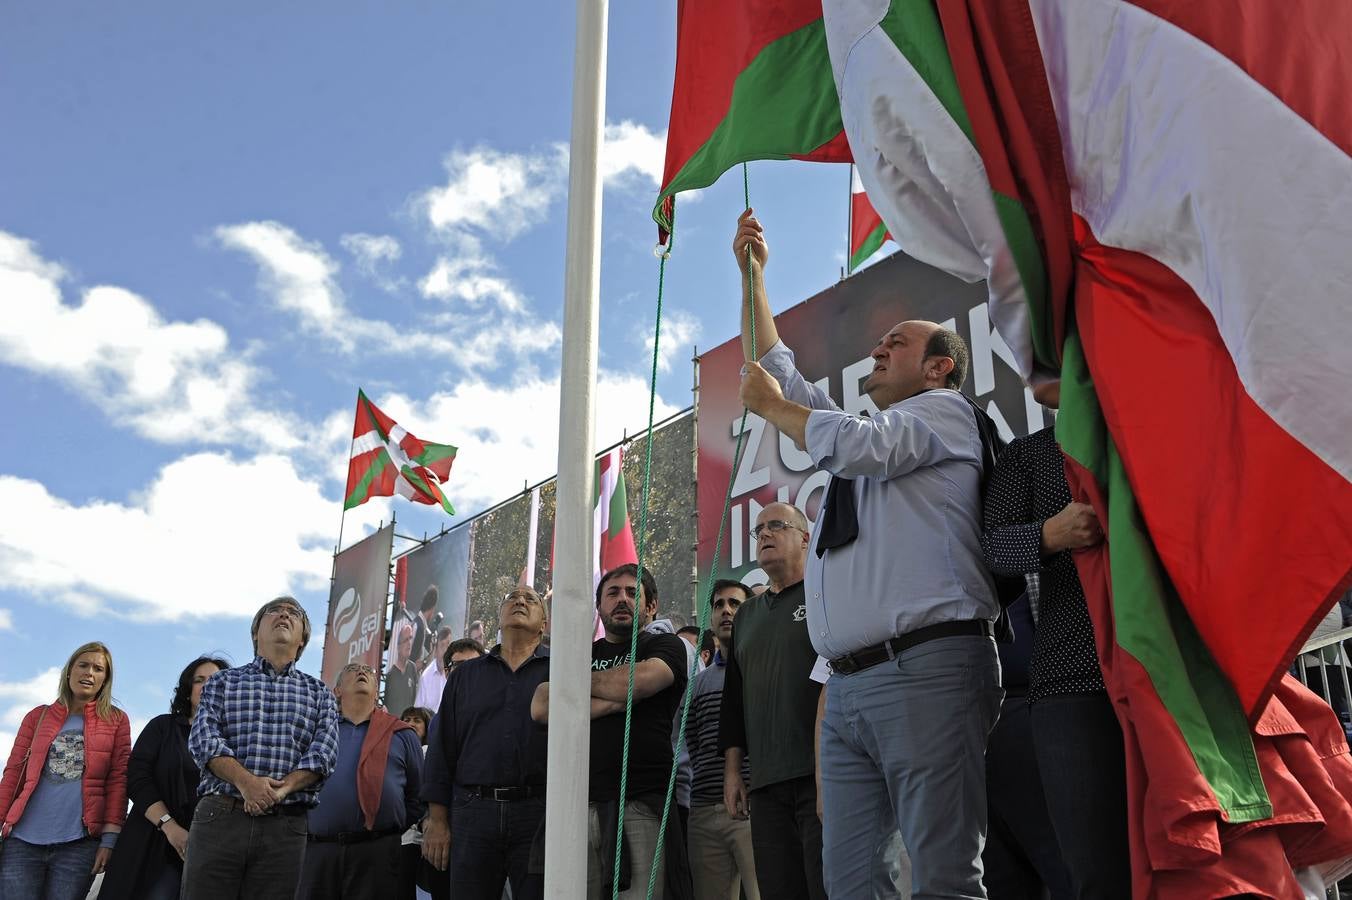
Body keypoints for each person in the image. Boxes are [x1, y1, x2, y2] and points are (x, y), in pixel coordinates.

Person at [734, 211, 1002, 899]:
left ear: (939, 367)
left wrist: (777, 413)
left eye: (898, 343)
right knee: (851, 883)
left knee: (941, 876)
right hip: (849, 688)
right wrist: (752, 275)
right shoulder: (861, 436)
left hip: (926, 667)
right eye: (879, 342)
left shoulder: (946, 413)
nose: (879, 351)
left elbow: (852, 443)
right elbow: (779, 372)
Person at [981, 382, 1130, 899]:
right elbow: (992, 551)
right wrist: (1048, 534)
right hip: (1072, 678)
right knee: (1094, 866)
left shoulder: (1150, 431)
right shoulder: (1029, 454)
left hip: (1173, 667)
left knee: (1198, 839)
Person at [532, 564, 690, 900]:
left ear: (651, 606)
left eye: (633, 593)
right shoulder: (579, 653)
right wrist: (616, 701)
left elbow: (644, 680)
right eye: (613, 593)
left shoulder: (666, 647)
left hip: (640, 805)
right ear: (599, 606)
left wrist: (573, 690)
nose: (622, 599)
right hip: (575, 807)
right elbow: (541, 706)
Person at [184, 596, 340, 900]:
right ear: (256, 632)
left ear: (303, 639)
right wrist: (246, 783)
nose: (283, 614)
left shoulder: (320, 693)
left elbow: (324, 753)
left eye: (293, 613)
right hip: (221, 816)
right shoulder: (222, 682)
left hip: (286, 824)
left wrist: (278, 792)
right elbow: (204, 738)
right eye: (274, 611)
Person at [720, 505, 833, 900]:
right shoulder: (747, 615)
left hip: (822, 775)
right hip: (766, 785)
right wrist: (734, 772)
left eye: (777, 526)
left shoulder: (826, 591)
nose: (765, 534)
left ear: (805, 538)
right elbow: (733, 700)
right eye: (758, 530)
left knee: (828, 888)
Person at [424, 587, 551, 900]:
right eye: (511, 598)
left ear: (544, 623)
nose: (520, 601)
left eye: (530, 599)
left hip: (539, 815)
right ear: (499, 617)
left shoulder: (562, 671)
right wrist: (437, 821)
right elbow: (442, 750)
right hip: (472, 813)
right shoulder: (464, 676)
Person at [0, 641, 131, 900]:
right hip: (22, 841)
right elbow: (13, 774)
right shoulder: (37, 717)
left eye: (98, 669)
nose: (89, 673)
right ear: (69, 671)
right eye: (83, 665)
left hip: (79, 845)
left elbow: (119, 782)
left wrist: (109, 840)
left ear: (105, 679)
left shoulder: (116, 721)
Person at [100, 655, 230, 900]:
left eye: (215, 680)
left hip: (209, 850)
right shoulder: (162, 727)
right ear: (187, 689)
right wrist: (170, 828)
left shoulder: (234, 741)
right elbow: (137, 779)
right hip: (152, 842)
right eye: (199, 680)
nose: (206, 686)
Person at [297, 663, 423, 899]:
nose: (362, 672)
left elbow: (417, 796)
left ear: (376, 692)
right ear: (336, 690)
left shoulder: (402, 735)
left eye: (369, 671)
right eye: (353, 669)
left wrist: (386, 829)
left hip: (378, 854)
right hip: (317, 853)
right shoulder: (315, 731)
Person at [687, 580, 760, 900]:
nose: (726, 610)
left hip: (755, 808)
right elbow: (689, 739)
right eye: (718, 605)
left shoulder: (762, 669)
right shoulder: (698, 683)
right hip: (703, 811)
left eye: (735, 603)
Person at [414, 626, 456, 710]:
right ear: (436, 650)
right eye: (442, 645)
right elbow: (418, 712)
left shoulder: (455, 675)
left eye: (448, 645)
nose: (445, 650)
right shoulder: (426, 677)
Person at [385, 618, 418, 716]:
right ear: (398, 647)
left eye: (410, 638)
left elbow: (413, 700)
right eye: (405, 640)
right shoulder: (390, 676)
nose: (409, 643)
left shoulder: (412, 668)